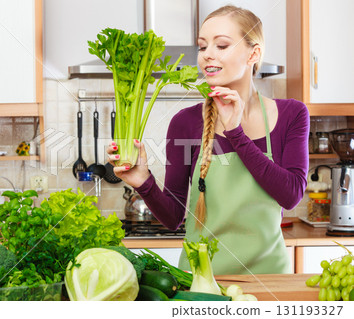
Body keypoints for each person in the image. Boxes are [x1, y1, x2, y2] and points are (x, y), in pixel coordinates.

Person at [108, 5, 309, 275]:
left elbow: (291, 195)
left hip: (271, 279)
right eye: (203, 47)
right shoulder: (185, 122)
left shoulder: (292, 114)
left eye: (222, 45)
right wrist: (144, 182)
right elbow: (173, 218)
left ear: (254, 53)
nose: (207, 56)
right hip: (202, 284)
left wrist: (236, 132)